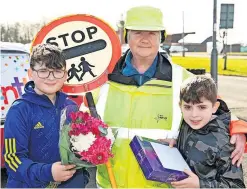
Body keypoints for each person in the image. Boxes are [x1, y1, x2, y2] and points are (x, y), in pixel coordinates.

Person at [86, 6, 247, 188]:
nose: (145, 39)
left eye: (152, 33)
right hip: (110, 185)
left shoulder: (183, 80)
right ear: (127, 36)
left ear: (161, 37)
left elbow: (218, 107)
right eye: (138, 32)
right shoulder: (102, 81)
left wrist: (238, 129)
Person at [3, 44, 89, 188]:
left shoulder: (71, 106)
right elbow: (12, 159)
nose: (50, 77)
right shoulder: (20, 110)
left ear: (66, 74)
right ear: (31, 73)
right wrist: (47, 172)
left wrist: (82, 178)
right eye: (43, 71)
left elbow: (78, 149)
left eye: (57, 71)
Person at [172, 75, 245, 188]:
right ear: (180, 106)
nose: (194, 114)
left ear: (215, 107)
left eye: (202, 107)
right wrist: (176, 142)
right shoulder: (188, 123)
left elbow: (236, 186)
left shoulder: (224, 143)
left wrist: (200, 185)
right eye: (187, 107)